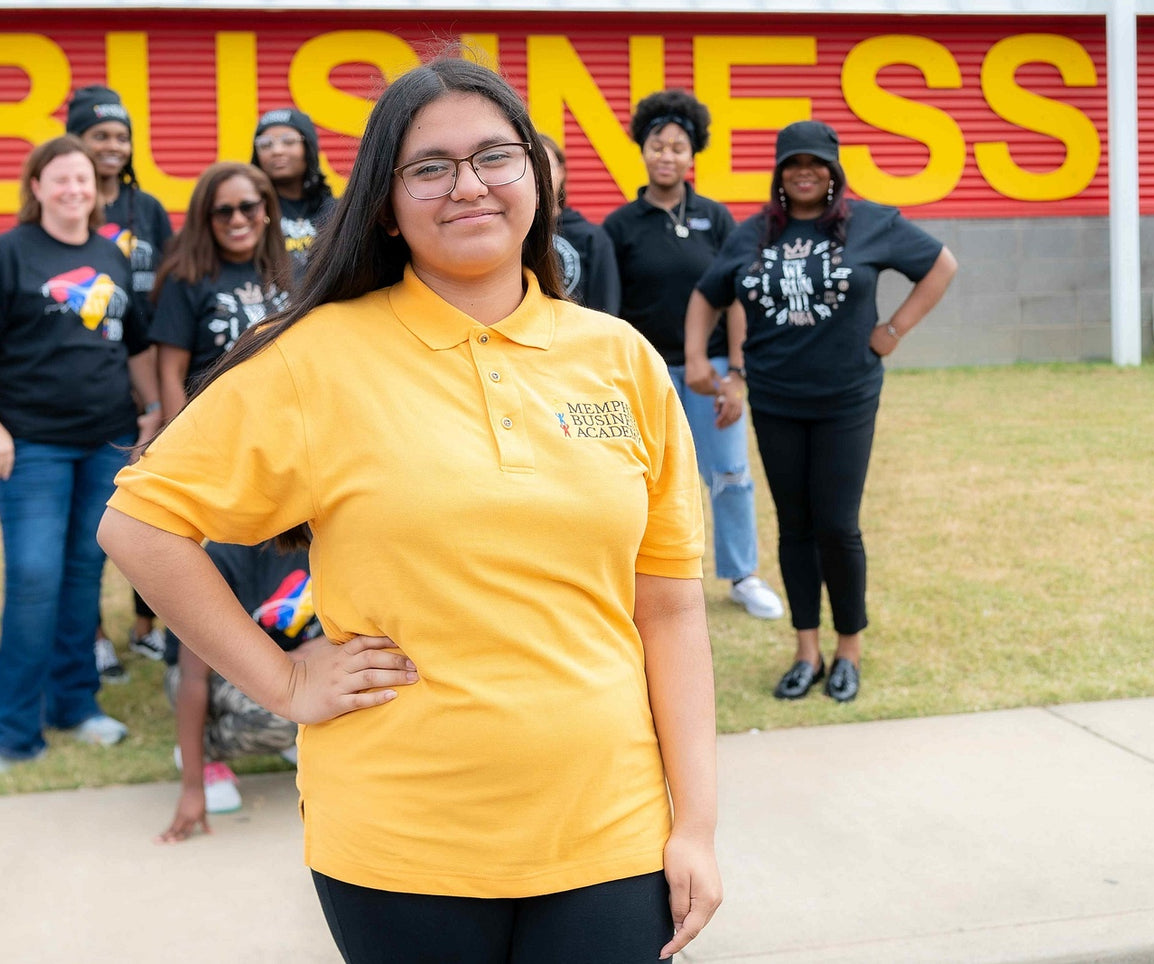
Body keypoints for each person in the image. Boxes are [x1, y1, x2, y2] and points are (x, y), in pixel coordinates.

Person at [100, 56, 720, 963]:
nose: (467, 185)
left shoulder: (619, 359)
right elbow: (139, 524)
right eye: (428, 167)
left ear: (536, 181)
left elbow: (668, 610)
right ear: (385, 205)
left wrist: (695, 824)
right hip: (402, 841)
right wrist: (280, 682)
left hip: (611, 827)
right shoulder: (314, 357)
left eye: (494, 157)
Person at [686, 119, 957, 702]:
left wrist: (894, 330)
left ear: (833, 171)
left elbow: (941, 265)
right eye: (792, 163)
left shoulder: (870, 223)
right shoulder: (755, 233)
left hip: (846, 398)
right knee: (796, 526)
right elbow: (709, 292)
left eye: (816, 162)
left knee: (837, 524)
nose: (804, 172)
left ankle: (848, 649)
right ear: (780, 174)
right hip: (778, 399)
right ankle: (806, 649)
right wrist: (696, 361)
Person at [0, 135, 160, 778]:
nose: (74, 190)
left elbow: (137, 345)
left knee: (82, 576)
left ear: (97, 191)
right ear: (36, 187)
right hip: (31, 446)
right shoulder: (8, 254)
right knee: (35, 578)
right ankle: (8, 731)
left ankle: (75, 705)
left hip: (106, 442)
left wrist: (150, 411)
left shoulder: (111, 256)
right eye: (59, 179)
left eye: (84, 181)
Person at [602, 89, 784, 622]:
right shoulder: (620, 226)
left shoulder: (717, 218)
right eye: (658, 145)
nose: (667, 155)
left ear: (692, 155)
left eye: (678, 147)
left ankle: (743, 575)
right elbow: (611, 310)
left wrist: (738, 373)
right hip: (645, 376)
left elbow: (738, 299)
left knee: (729, 472)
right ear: (643, 149)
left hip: (713, 373)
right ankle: (637, 579)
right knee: (639, 482)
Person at [65, 84, 176, 675]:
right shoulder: (68, 208)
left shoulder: (150, 211)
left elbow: (172, 284)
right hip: (96, 378)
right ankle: (94, 636)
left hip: (149, 371)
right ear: (74, 142)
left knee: (150, 511)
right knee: (89, 523)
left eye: (121, 136)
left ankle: (145, 627)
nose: (112, 146)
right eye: (99, 135)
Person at [157, 540, 322, 843]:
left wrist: (316, 651)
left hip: (286, 665)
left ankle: (295, 733)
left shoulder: (330, 542)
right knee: (278, 719)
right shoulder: (224, 558)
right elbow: (193, 676)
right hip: (207, 671)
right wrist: (193, 789)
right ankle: (201, 751)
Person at [151, 161, 292, 423]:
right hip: (214, 428)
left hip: (282, 423)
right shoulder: (185, 278)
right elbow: (171, 373)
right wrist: (175, 438)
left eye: (247, 207)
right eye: (223, 212)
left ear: (266, 208)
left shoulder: (288, 270)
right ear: (206, 219)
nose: (237, 219)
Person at [250, 107, 337, 281]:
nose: (277, 151)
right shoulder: (248, 213)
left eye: (288, 141)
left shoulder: (338, 211)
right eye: (265, 144)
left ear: (308, 148)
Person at [538, 133, 619, 314]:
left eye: (545, 165)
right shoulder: (512, 234)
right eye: (533, 166)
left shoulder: (592, 238)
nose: (540, 174)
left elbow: (606, 310)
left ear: (561, 171)